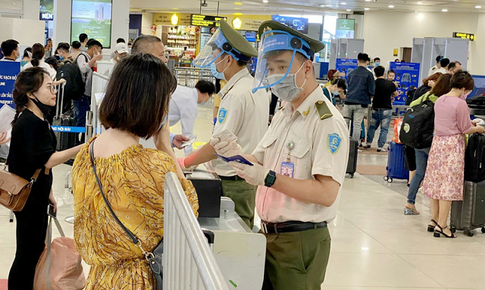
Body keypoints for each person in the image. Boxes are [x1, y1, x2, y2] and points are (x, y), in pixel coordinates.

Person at [212, 20, 348, 289]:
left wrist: (269, 178)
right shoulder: (285, 113)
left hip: (300, 240)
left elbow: (326, 193)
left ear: (307, 67)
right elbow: (259, 162)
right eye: (271, 69)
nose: (275, 76)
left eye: (283, 67)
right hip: (268, 235)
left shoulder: (325, 121)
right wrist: (235, 155)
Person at [72, 54, 199, 289]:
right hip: (135, 279)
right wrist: (165, 147)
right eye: (165, 102)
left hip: (100, 277)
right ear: (151, 104)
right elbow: (188, 211)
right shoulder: (150, 164)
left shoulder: (87, 152)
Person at [180, 20, 270, 229]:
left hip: (233, 183)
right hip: (245, 180)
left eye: (215, 55)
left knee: (234, 243)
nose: (213, 60)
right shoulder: (254, 87)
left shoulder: (237, 94)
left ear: (228, 59)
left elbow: (218, 145)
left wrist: (185, 162)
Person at [7, 67, 83, 290]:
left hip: (37, 194)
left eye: (54, 87)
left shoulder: (39, 118)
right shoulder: (29, 122)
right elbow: (47, 160)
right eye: (49, 87)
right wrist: (84, 147)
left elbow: (39, 166)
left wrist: (49, 193)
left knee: (34, 250)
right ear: (31, 94)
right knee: (27, 254)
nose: (54, 92)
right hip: (28, 199)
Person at [422, 71, 485, 238]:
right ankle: (443, 225)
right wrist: (478, 128)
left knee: (436, 183)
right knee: (448, 186)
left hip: (438, 143)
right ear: (464, 88)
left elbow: (450, 121)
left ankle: (434, 220)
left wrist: (467, 123)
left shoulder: (440, 99)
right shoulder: (460, 103)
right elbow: (465, 129)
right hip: (452, 146)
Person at [131, 35, 191, 156]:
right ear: (146, 57)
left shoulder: (156, 88)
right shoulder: (134, 93)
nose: (165, 60)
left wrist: (170, 138)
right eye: (161, 54)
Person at [404, 73, 452, 215]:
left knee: (419, 173)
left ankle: (409, 203)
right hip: (432, 141)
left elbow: (412, 107)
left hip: (418, 140)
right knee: (437, 175)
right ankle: (437, 213)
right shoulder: (442, 101)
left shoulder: (425, 96)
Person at [169, 80, 216, 155]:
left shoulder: (185, 91)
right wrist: (189, 157)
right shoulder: (190, 104)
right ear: (206, 95)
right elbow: (187, 134)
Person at [342, 52, 375, 143]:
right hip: (361, 102)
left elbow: (348, 86)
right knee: (357, 125)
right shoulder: (369, 74)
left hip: (348, 101)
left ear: (357, 61)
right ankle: (354, 146)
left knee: (345, 123)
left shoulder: (351, 73)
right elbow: (372, 90)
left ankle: (344, 143)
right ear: (367, 62)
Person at [365, 66, 398, 152]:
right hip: (387, 109)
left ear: (375, 74)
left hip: (375, 108)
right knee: (384, 129)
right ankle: (380, 146)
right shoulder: (390, 84)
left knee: (372, 127)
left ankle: (368, 143)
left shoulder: (373, 84)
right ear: (384, 73)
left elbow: (371, 94)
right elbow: (396, 94)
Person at [75, 39, 103, 129]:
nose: (100, 53)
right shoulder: (82, 57)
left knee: (84, 117)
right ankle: (78, 139)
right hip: (81, 94)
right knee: (81, 118)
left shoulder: (89, 59)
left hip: (86, 94)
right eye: (99, 51)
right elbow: (83, 69)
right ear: (94, 49)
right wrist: (94, 59)